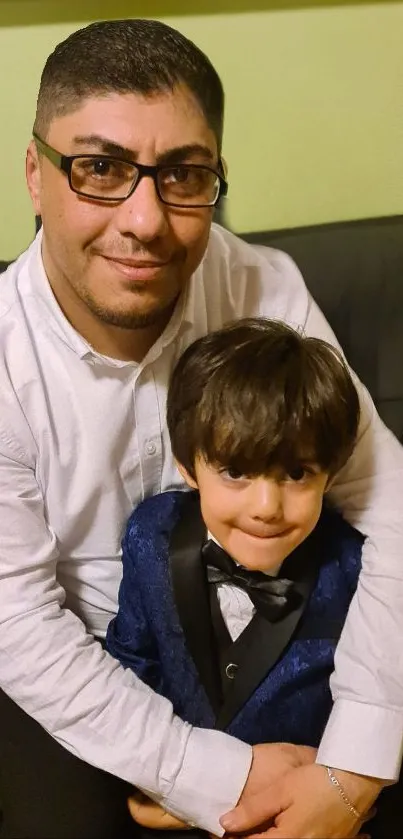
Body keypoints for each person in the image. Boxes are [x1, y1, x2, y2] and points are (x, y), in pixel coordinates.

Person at [0, 15, 402, 839]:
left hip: (290, 656)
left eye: (183, 174)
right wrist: (203, 771)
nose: (145, 219)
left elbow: (388, 502)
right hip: (81, 689)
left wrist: (354, 764)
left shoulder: (261, 283)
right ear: (36, 176)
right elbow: (21, 625)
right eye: (99, 168)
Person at [106, 317, 389, 838]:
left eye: (297, 474)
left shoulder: (363, 571)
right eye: (235, 471)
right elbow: (131, 666)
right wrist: (156, 787)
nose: (266, 508)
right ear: (189, 467)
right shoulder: (150, 535)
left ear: (333, 470)